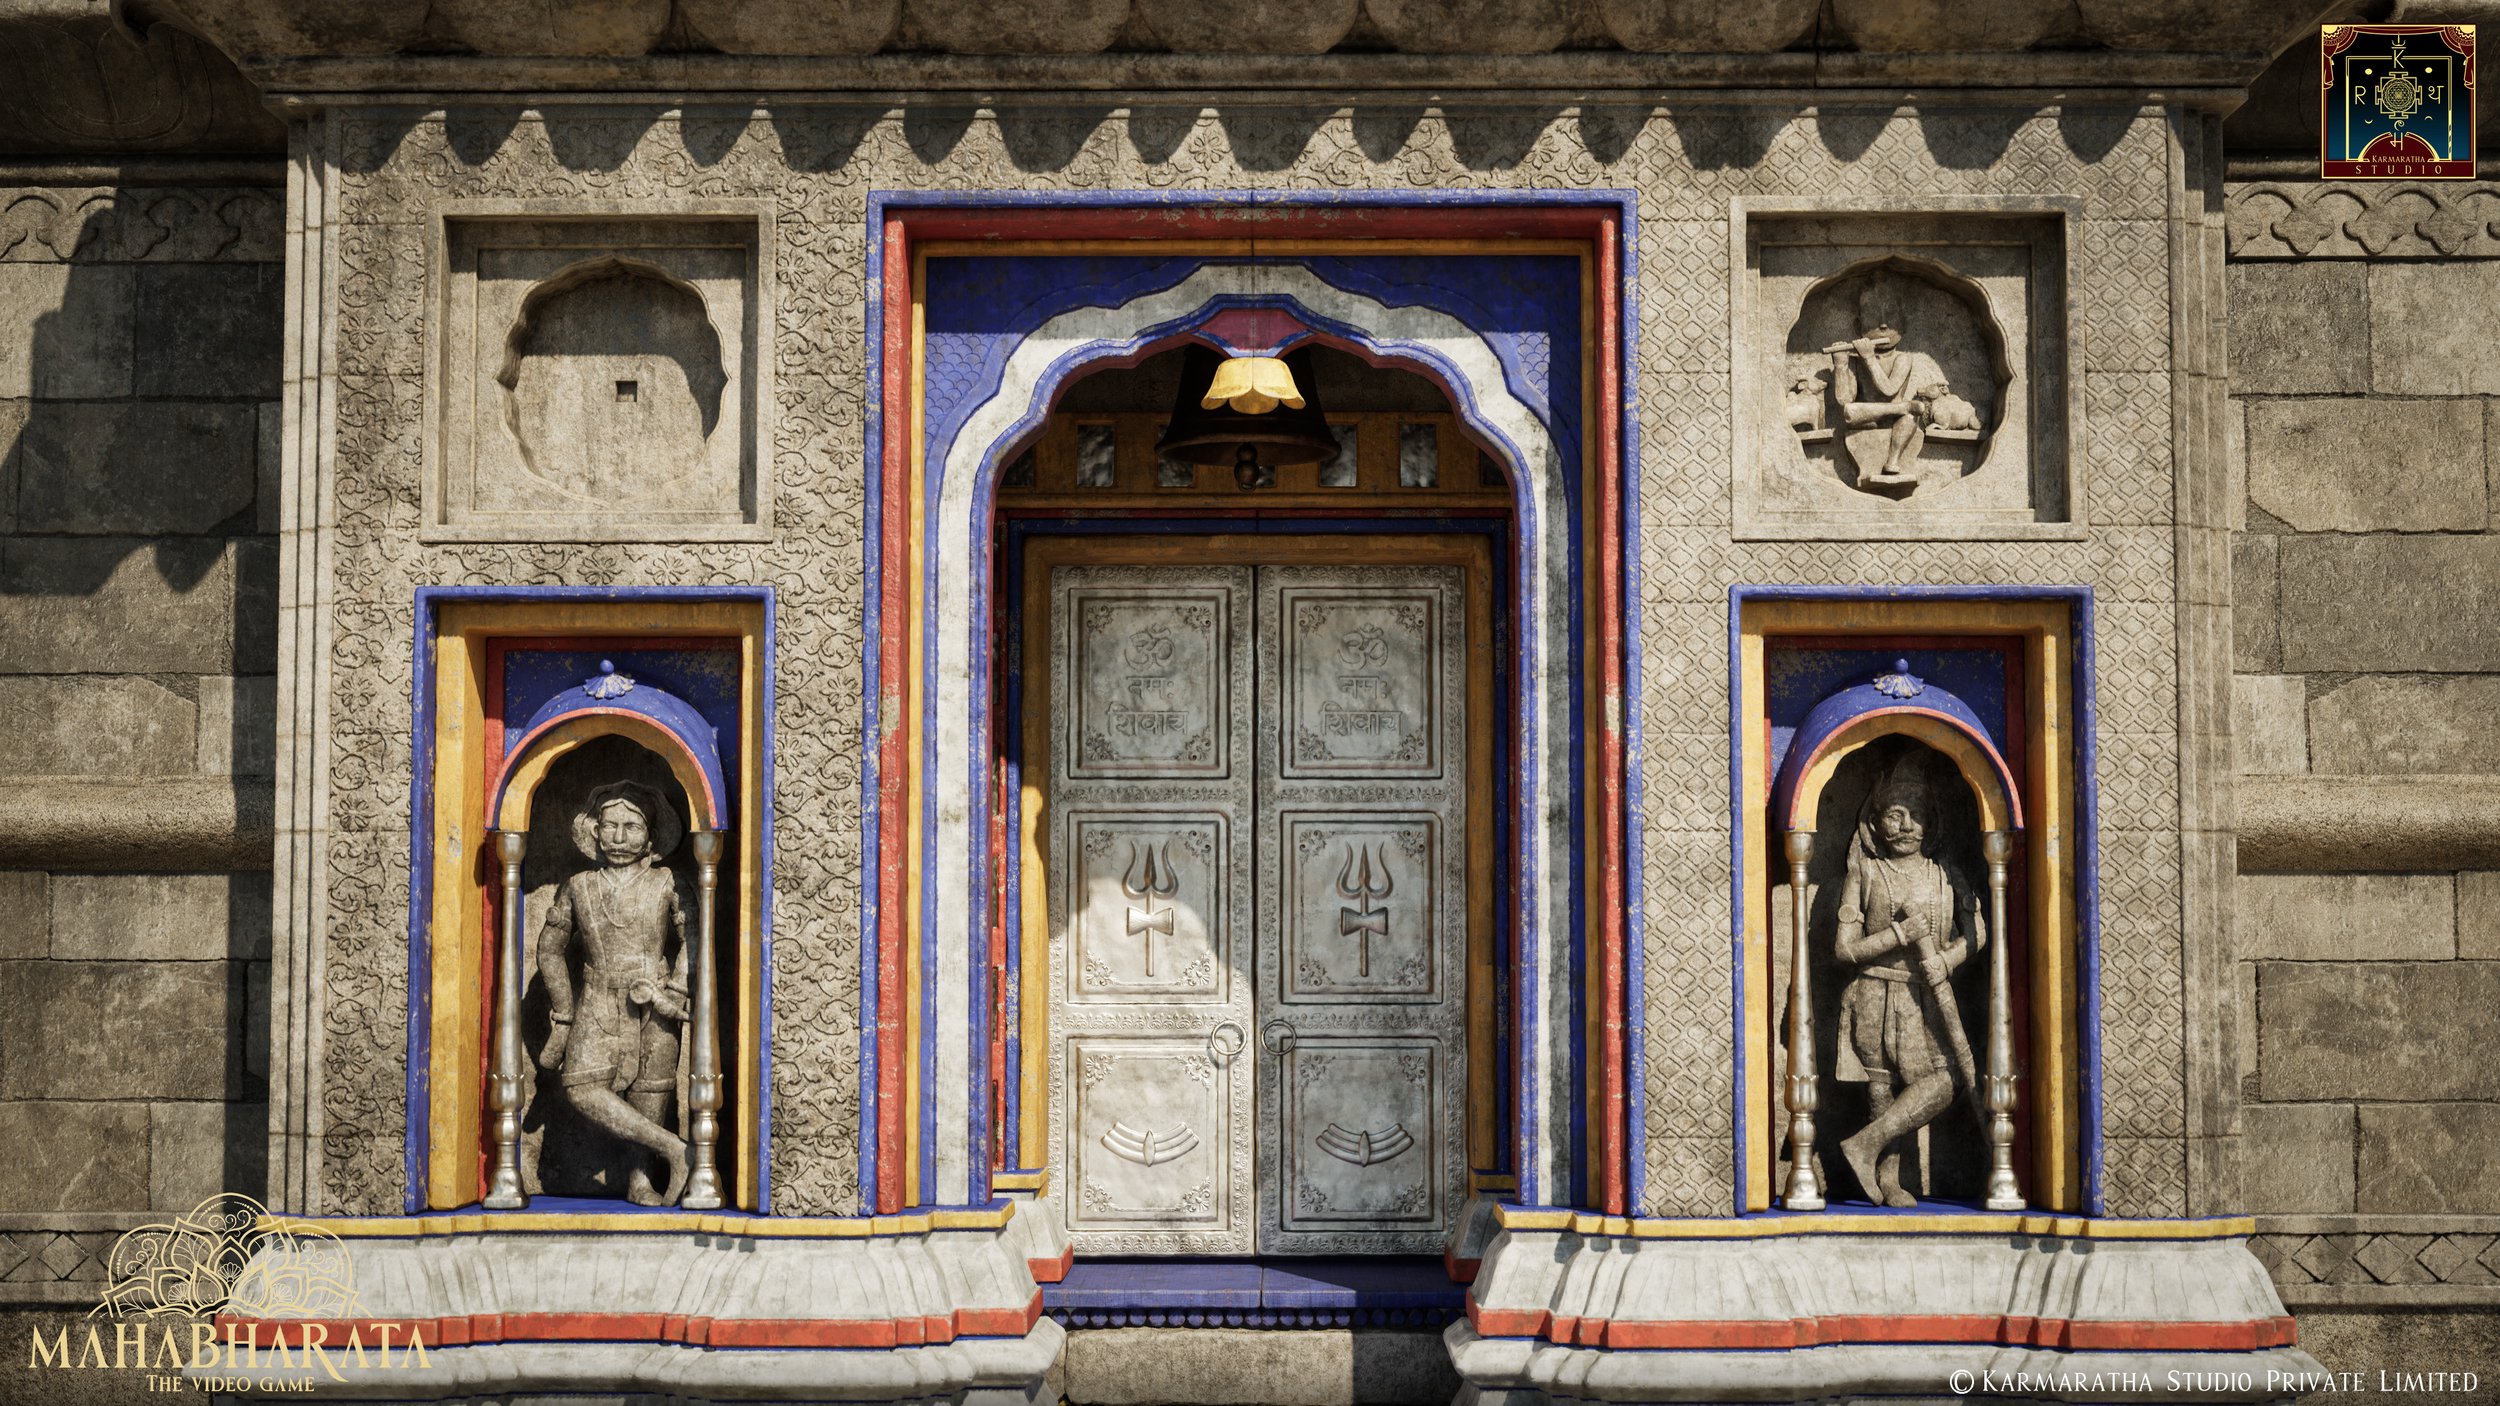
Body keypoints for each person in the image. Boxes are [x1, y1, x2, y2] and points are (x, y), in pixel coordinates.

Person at [1830, 760, 1986, 1208]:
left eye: (1915, 814)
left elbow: (1978, 930)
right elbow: (1844, 949)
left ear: (1931, 820)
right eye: (1895, 814)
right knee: (1882, 1089)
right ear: (1874, 822)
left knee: (1945, 1081)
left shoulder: (1944, 871)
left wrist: (1950, 958)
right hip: (1876, 992)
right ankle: (1888, 1181)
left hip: (1929, 993)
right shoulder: (1866, 872)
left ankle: (1864, 1144)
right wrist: (1898, 935)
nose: (1906, 825)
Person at [536, 781, 692, 1205]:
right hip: (597, 996)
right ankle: (676, 1149)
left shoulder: (666, 882)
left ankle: (640, 1180)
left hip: (654, 999)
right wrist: (564, 1014)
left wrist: (675, 993)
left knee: (649, 1090)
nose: (619, 838)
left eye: (632, 827)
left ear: (652, 835)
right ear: (594, 831)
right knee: (581, 1087)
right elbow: (549, 949)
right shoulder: (579, 886)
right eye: (610, 826)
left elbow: (695, 941)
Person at [1822, 288, 1953, 484]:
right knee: (1852, 411)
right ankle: (1903, 407)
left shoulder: (1903, 358)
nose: (1883, 325)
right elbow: (1845, 401)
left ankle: (1893, 461)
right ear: (1859, 325)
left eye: (1891, 317)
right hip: (1867, 418)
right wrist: (1841, 366)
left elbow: (1889, 389)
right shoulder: (1856, 361)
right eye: (1874, 318)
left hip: (1896, 419)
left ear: (1903, 324)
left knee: (1910, 416)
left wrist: (1868, 358)